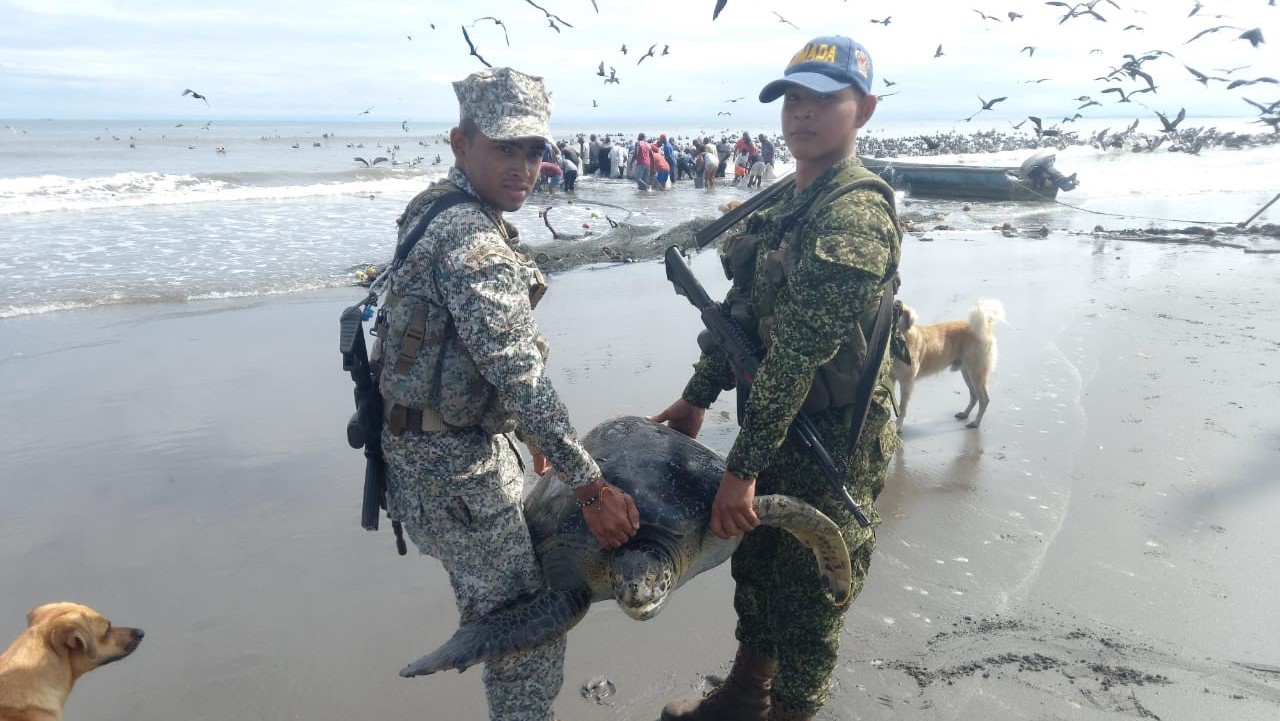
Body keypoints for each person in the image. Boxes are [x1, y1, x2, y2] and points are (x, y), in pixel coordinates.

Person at [373, 66, 640, 721]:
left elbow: (455, 351)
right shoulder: (471, 239)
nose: (524, 165)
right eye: (505, 147)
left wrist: (524, 435)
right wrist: (592, 486)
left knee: (510, 602)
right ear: (461, 142)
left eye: (535, 150)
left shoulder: (439, 205)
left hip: (427, 449)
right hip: (451, 468)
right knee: (526, 629)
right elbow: (520, 373)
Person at [653, 36, 902, 721]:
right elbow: (740, 319)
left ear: (865, 109)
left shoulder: (854, 215)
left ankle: (791, 711)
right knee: (760, 564)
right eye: (793, 98)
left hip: (833, 436)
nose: (803, 113)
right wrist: (696, 397)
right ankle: (745, 694)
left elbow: (794, 353)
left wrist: (743, 466)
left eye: (825, 98)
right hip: (774, 417)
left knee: (815, 592)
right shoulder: (784, 200)